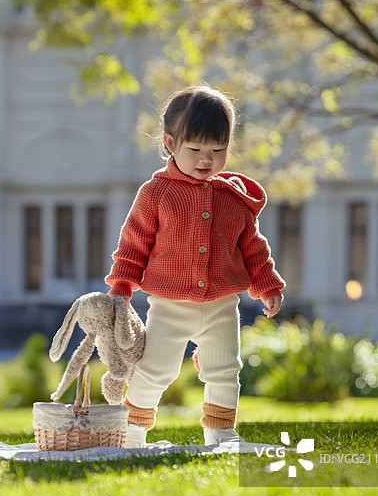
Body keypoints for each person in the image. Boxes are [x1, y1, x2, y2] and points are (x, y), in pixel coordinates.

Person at [105, 85, 285, 448]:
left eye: (218, 151)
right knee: (155, 370)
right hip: (170, 305)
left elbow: (252, 247)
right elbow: (134, 244)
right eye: (196, 150)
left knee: (225, 370)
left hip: (221, 305)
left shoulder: (233, 198)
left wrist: (268, 285)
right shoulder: (156, 194)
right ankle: (132, 432)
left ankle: (220, 433)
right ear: (171, 143)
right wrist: (121, 287)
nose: (207, 160)